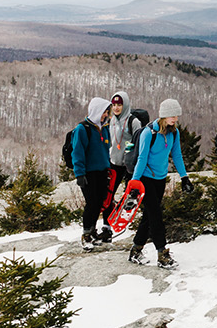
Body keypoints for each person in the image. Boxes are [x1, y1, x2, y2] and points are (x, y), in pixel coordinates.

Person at [128, 98, 194, 270]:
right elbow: (141, 158)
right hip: (145, 179)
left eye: (177, 115)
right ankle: (162, 254)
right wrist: (134, 183)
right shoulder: (148, 133)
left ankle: (136, 250)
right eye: (172, 115)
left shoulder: (174, 133)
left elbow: (177, 156)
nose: (175, 119)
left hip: (160, 179)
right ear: (163, 115)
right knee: (156, 216)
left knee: (149, 216)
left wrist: (184, 177)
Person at [72, 97, 113, 251]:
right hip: (88, 173)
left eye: (106, 112)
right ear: (96, 111)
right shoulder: (83, 129)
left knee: (100, 203)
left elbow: (105, 149)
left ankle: (93, 231)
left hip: (102, 171)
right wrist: (80, 174)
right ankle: (86, 234)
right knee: (91, 203)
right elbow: (78, 153)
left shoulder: (104, 128)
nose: (105, 115)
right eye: (103, 112)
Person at [103, 91, 138, 243]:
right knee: (108, 195)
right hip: (115, 162)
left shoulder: (133, 121)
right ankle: (106, 228)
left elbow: (139, 142)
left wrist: (129, 151)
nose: (116, 108)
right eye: (114, 105)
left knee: (130, 197)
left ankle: (132, 226)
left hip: (129, 164)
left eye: (119, 105)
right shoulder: (112, 120)